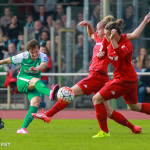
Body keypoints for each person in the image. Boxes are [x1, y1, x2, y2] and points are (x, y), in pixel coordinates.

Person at [32, 13, 150, 134]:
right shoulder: (101, 40)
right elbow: (91, 34)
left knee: (69, 93)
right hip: (97, 76)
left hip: (97, 76)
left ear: (106, 31)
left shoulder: (112, 41)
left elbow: (134, 35)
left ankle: (48, 115)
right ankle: (133, 128)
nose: (96, 31)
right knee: (108, 111)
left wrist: (145, 20)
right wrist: (88, 25)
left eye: (98, 29)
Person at [92, 17, 150, 138]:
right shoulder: (107, 40)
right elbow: (102, 54)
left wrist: (112, 41)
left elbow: (119, 54)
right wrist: (100, 54)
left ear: (116, 34)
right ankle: (132, 128)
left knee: (97, 99)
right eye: (106, 36)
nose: (106, 38)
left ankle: (104, 132)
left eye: (109, 35)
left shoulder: (126, 44)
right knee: (135, 106)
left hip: (124, 80)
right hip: (127, 79)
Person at [0, 39, 59, 134]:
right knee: (36, 80)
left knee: (36, 102)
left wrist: (37, 68)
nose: (35, 54)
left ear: (39, 50)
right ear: (28, 51)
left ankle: (22, 129)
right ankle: (50, 93)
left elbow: (43, 65)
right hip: (22, 81)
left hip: (34, 85)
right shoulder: (23, 56)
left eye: (36, 52)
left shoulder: (43, 56)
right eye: (32, 52)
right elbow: (7, 60)